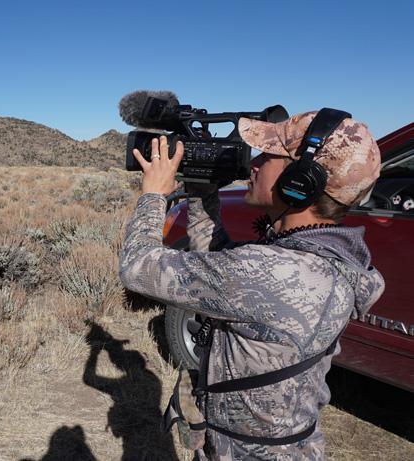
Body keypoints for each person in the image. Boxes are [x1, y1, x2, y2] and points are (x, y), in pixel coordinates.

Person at [119, 110, 385, 460]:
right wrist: (202, 190)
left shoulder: (266, 270)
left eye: (269, 156)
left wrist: (153, 195)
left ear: (301, 181)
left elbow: (137, 267)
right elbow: (223, 267)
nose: (254, 164)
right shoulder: (330, 261)